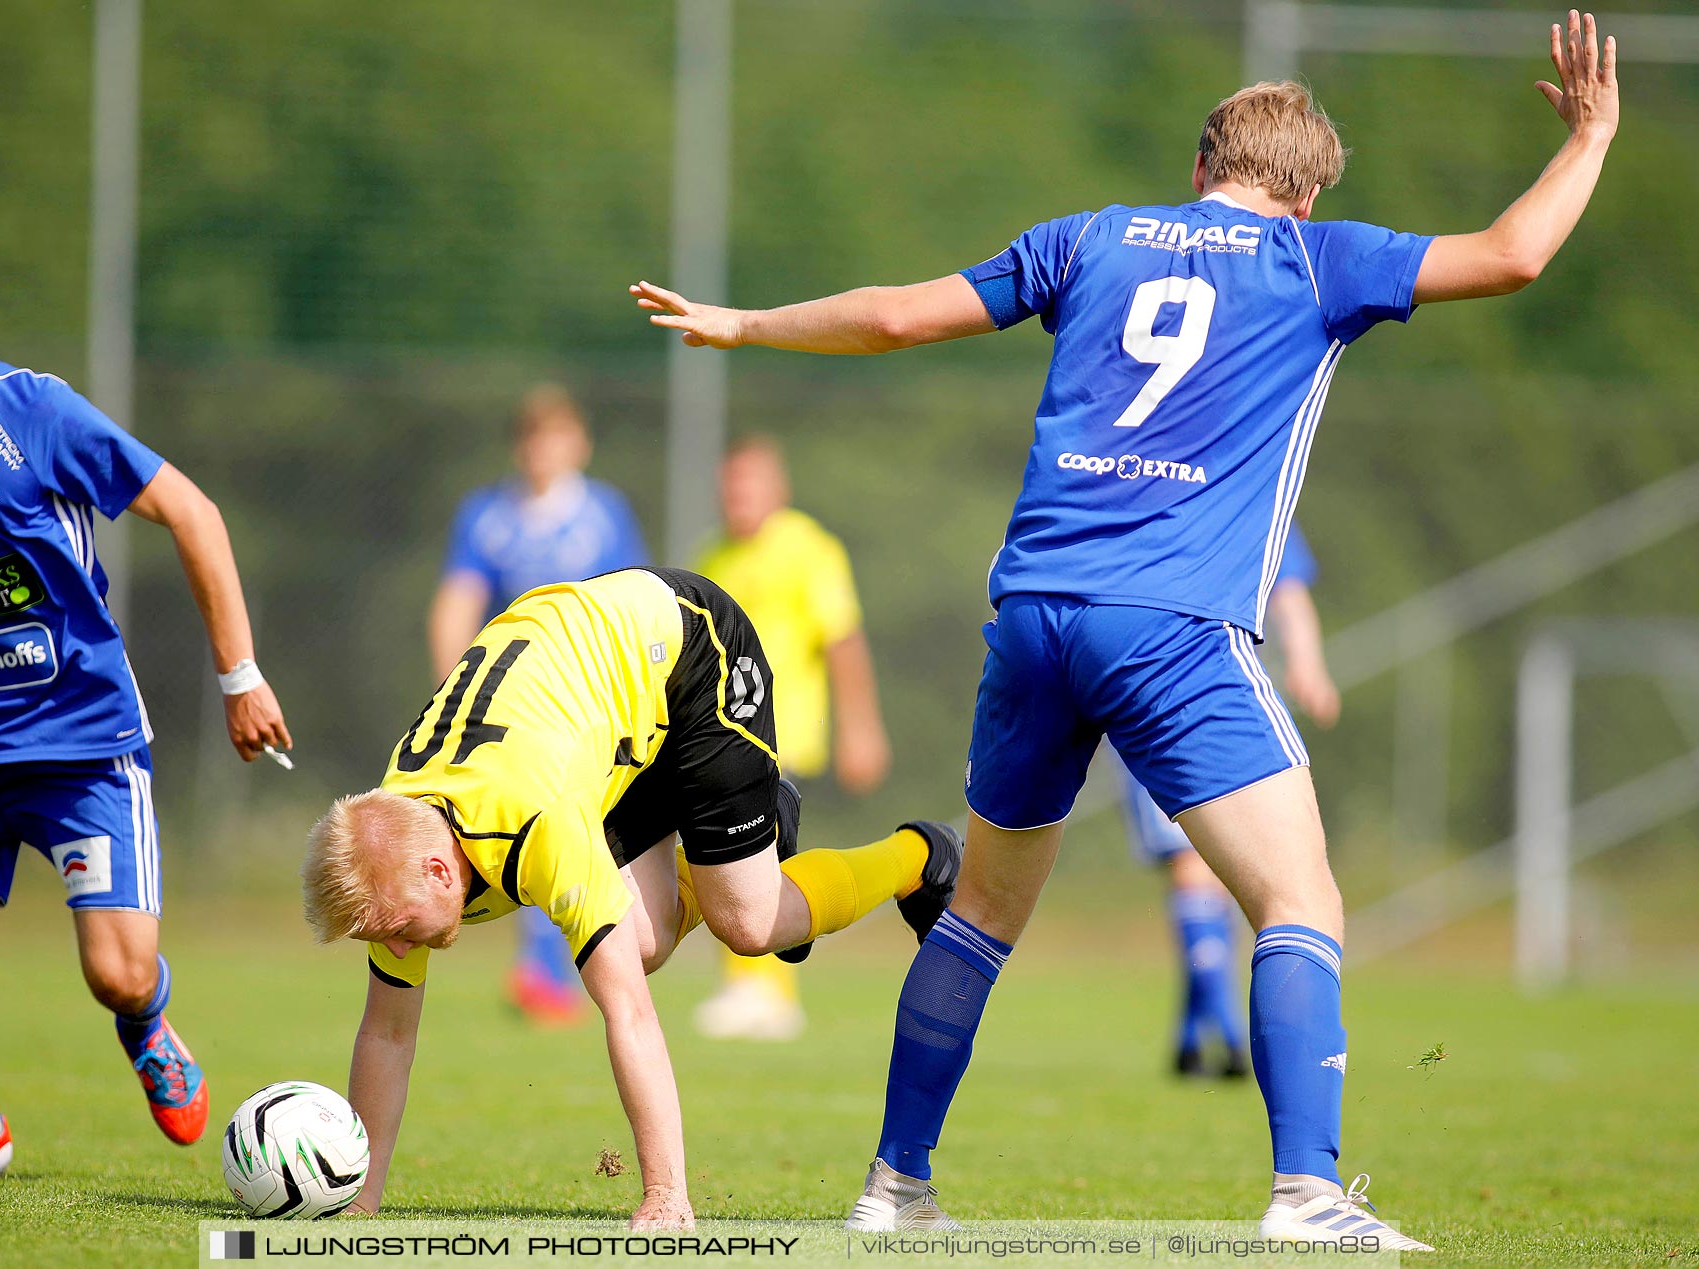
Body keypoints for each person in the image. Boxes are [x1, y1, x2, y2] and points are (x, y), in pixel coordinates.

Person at [630, 13, 1617, 1249]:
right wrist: (1589, 137)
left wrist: (745, 324)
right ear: (1304, 196)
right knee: (1301, 901)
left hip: (1036, 614)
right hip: (1171, 626)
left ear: (1203, 167)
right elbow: (1517, 255)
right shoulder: (1319, 262)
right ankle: (1307, 1195)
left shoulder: (1088, 237)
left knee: (982, 914)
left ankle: (893, 1189)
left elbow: (890, 318)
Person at [301, 567, 961, 1227]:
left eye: (395, 929)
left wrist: (666, 1195)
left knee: (751, 922)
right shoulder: (393, 843)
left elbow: (630, 1013)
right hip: (606, 700)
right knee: (640, 941)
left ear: (443, 873)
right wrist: (360, 1201)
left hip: (693, 654)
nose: (394, 946)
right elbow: (386, 1032)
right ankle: (749, 836)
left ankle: (921, 857)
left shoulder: (537, 825)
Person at [0, 220, 292, 1174]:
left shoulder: (37, 415)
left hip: (79, 744)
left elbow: (192, 511)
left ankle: (149, 1021)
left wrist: (239, 675)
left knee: (115, 975)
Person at [427, 385, 649, 1024]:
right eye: (532, 436)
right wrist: (451, 688)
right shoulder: (487, 515)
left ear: (579, 443)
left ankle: (564, 964)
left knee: (575, 825)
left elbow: (632, 600)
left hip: (589, 693)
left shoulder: (604, 512)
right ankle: (541, 972)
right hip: (513, 700)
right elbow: (457, 601)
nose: (543, 450)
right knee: (530, 820)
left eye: (556, 435)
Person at [1114, 525, 1338, 1079]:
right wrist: (1308, 664)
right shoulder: (1170, 477)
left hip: (1193, 696)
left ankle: (1206, 1032)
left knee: (1215, 874)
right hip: (1171, 698)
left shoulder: (1242, 479)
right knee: (1206, 873)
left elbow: (1286, 586)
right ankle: (1219, 1032)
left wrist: (1307, 663)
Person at [692, 435, 891, 1041]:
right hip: (719, 740)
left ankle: (769, 990)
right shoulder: (714, 558)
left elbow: (843, 641)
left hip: (784, 734)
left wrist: (862, 728)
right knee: (729, 855)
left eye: (751, 483)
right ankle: (754, 987)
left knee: (758, 855)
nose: (739, 497)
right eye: (731, 485)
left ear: (777, 488)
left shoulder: (808, 549)